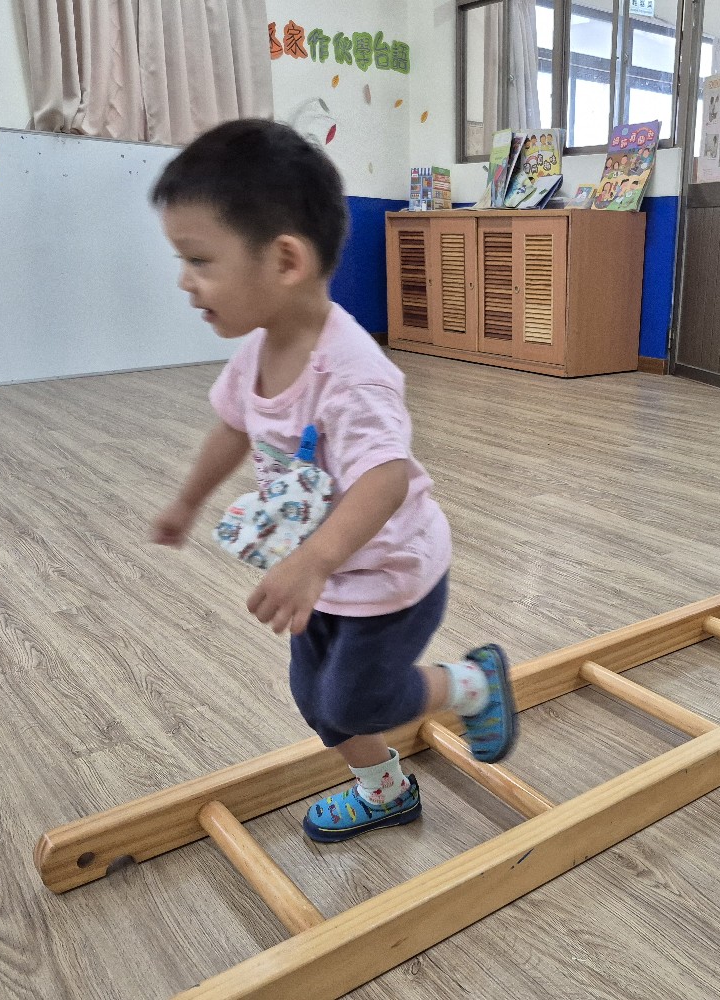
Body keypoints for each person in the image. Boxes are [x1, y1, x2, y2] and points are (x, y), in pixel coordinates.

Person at [148, 119, 516, 843]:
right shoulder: (257, 352)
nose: (186, 282)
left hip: (388, 568)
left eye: (200, 260)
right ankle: (386, 791)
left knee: (358, 699)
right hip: (320, 572)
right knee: (317, 701)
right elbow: (233, 426)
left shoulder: (352, 374)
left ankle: (472, 685)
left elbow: (385, 478)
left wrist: (315, 560)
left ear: (285, 259)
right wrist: (187, 501)